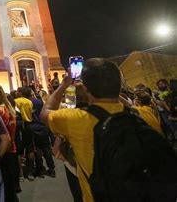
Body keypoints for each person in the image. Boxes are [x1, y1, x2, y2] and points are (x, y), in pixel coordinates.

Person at [40, 58, 125, 202]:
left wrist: (64, 84)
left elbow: (45, 113)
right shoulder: (143, 114)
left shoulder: (76, 119)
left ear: (86, 88)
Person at [31, 89, 55, 178]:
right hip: (42, 126)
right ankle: (51, 168)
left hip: (33, 127)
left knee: (37, 149)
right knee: (46, 148)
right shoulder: (40, 101)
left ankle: (40, 169)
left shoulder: (29, 102)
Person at [14, 87, 35, 180]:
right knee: (30, 148)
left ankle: (20, 173)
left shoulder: (15, 101)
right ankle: (30, 171)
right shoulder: (29, 102)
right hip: (29, 125)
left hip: (19, 126)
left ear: (20, 92)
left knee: (18, 150)